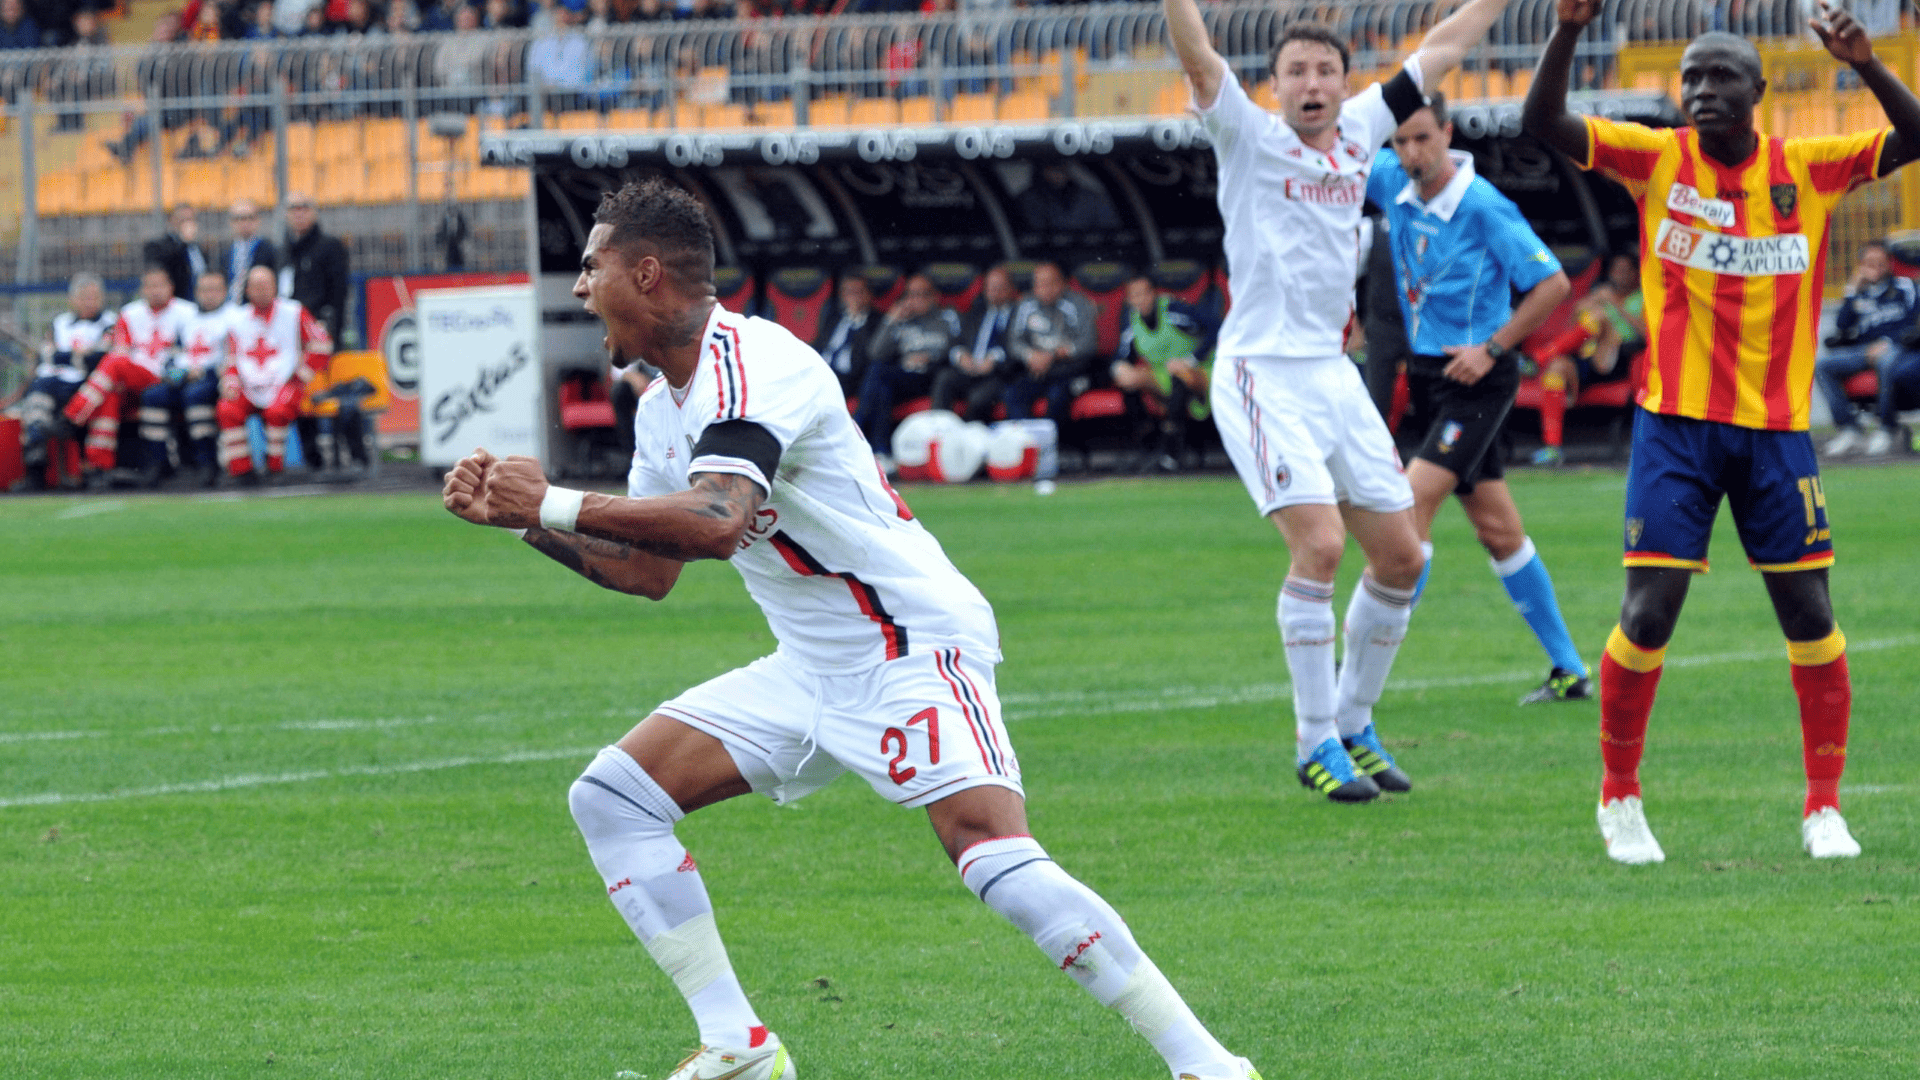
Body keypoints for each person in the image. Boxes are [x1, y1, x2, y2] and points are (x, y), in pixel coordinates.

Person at [439, 177, 1262, 1080]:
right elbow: (650, 571)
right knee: (613, 798)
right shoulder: (658, 406)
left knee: (987, 849)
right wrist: (523, 523)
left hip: (907, 640)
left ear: (646, 273)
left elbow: (716, 520)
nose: (579, 287)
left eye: (590, 267)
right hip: (811, 665)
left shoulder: (757, 363)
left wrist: (553, 498)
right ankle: (739, 1047)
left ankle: (1208, 1066)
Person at [1523, 0, 1920, 862]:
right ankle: (1619, 797)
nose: (1700, 90)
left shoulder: (1806, 171)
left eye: (1718, 76)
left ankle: (1823, 808)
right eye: (1690, 77)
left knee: (1809, 612)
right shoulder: (1657, 160)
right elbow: (1543, 121)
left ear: (1758, 90)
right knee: (1651, 611)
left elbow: (1915, 136)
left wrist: (1865, 63)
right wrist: (1566, 28)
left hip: (1777, 434)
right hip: (1675, 429)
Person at [1164, 0, 1511, 801]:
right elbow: (1198, 55)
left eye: (1325, 71)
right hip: (1259, 372)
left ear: (1343, 84)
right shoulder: (1246, 134)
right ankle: (1313, 739)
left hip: (1331, 372)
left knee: (1403, 556)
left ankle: (1353, 721)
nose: (1311, 84)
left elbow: (1447, 43)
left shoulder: (1363, 126)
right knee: (1319, 546)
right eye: (1296, 73)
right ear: (1275, 86)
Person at [1367, 94, 1590, 704]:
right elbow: (1332, 160)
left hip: (1478, 381)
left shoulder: (1485, 206)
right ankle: (1569, 669)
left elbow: (1553, 285)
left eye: (1421, 139)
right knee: (1496, 529)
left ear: (1446, 132)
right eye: (1400, 142)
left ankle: (1361, 679)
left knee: (1407, 505)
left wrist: (1492, 348)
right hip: (1433, 377)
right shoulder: (1392, 180)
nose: (1410, 154)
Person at [63, 265, 199, 484]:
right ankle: (100, 468)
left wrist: (173, 376)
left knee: (114, 364)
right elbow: (121, 348)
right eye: (150, 285)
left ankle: (72, 416)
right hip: (132, 378)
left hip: (166, 377)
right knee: (108, 397)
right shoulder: (129, 313)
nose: (155, 291)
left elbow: (191, 352)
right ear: (142, 289)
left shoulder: (187, 312)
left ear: (171, 287)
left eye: (160, 285)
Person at [218, 264, 334, 482]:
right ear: (247, 290)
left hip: (286, 381)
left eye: (266, 285)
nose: (261, 291)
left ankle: (275, 468)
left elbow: (322, 345)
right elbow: (231, 357)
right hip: (248, 383)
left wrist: (301, 374)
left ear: (275, 286)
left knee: (277, 411)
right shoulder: (236, 318)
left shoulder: (294, 312)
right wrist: (231, 381)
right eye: (256, 286)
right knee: (227, 408)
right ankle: (242, 471)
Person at [1531, 252, 1646, 466]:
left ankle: (1539, 358)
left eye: (1624, 270)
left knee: (1600, 317)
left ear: (1635, 273)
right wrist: (1585, 305)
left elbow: (1647, 335)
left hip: (1620, 357)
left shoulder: (1642, 297)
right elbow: (1573, 328)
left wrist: (1615, 304)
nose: (1619, 275)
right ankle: (1552, 449)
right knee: (1556, 369)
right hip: (1590, 354)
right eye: (1615, 270)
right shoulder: (1600, 293)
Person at [1816, 239, 1919, 457]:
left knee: (1886, 360)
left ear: (1888, 264)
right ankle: (1849, 429)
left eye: (1880, 262)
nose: (1875, 267)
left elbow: (1913, 322)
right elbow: (1842, 326)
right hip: (1863, 350)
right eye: (1869, 262)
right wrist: (1852, 289)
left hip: (1898, 347)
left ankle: (1886, 428)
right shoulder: (1858, 294)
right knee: (1822, 366)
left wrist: (1889, 342)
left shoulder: (1904, 286)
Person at [851, 273, 962, 467]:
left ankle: (859, 431)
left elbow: (962, 348)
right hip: (905, 377)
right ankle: (882, 453)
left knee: (879, 378)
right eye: (911, 295)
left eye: (922, 294)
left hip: (933, 375)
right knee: (879, 379)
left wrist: (932, 357)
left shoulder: (947, 317)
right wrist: (891, 320)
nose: (916, 300)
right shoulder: (903, 320)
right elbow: (875, 352)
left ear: (934, 296)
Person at [1109, 274, 1217, 469]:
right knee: (1128, 379)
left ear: (1154, 293)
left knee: (1180, 376)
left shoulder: (1174, 310)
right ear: (1129, 300)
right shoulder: (1131, 321)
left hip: (1199, 370)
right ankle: (1147, 442)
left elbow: (1215, 327)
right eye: (1134, 295)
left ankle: (1172, 452)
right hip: (1164, 375)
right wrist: (1119, 367)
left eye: (1145, 293)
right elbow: (1120, 355)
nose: (1141, 299)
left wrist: (1191, 360)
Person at [19, 273, 116, 489]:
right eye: (83, 297)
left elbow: (98, 360)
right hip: (50, 382)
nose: (88, 301)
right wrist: (77, 356)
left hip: (86, 386)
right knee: (35, 403)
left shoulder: (110, 322)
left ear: (102, 298)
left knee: (96, 403)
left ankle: (93, 472)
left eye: (93, 296)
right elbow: (44, 355)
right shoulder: (59, 323)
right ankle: (35, 471)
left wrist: (63, 356)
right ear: (72, 299)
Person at [138, 269, 232, 488]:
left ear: (224, 291)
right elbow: (171, 357)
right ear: (197, 292)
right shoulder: (189, 320)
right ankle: (159, 463)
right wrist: (178, 376)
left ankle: (206, 463)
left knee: (196, 395)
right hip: (185, 376)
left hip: (214, 377)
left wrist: (204, 373)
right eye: (204, 290)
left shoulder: (233, 318)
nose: (209, 295)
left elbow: (232, 358)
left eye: (215, 290)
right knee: (153, 396)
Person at [281, 192, 350, 469]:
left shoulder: (329, 247)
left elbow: (338, 294)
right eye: (293, 208)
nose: (298, 213)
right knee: (300, 392)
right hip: (292, 338)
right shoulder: (286, 250)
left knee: (332, 393)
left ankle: (343, 453)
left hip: (319, 337)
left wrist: (332, 332)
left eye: (304, 208)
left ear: (314, 212)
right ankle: (312, 457)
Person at [1003, 262, 1096, 423]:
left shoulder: (1078, 303)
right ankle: (1029, 441)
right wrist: (1030, 355)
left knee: (1057, 397)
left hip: (1070, 370)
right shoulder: (1025, 304)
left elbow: (1089, 343)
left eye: (1050, 283)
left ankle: (1052, 444)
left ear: (1061, 283)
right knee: (1012, 394)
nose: (1045, 289)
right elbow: (1013, 342)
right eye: (1040, 284)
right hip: (1037, 369)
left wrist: (1055, 355)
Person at [932, 263, 1019, 421]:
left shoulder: (1018, 313)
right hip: (970, 369)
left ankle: (969, 440)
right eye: (991, 288)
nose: (995, 293)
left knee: (978, 398)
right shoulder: (977, 311)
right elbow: (956, 341)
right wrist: (961, 356)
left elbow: (1017, 346)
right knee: (944, 378)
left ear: (1011, 289)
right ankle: (940, 431)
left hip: (999, 375)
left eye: (1001, 288)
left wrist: (994, 360)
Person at [810, 270, 878, 398]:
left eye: (857, 292)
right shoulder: (833, 317)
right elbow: (818, 345)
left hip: (849, 377)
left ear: (869, 294)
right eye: (848, 292)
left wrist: (857, 318)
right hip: (821, 371)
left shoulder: (876, 321)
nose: (852, 297)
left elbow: (868, 355)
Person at [144, 205, 211, 306]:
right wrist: (183, 242)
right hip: (175, 304)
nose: (187, 224)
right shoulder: (158, 246)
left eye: (191, 220)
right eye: (182, 220)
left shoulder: (197, 248)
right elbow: (166, 268)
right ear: (171, 221)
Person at [223, 199, 281, 306]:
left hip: (256, 308)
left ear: (257, 220)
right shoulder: (225, 251)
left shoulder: (269, 249)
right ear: (231, 222)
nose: (244, 223)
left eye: (249, 218)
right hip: (229, 308)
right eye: (239, 219)